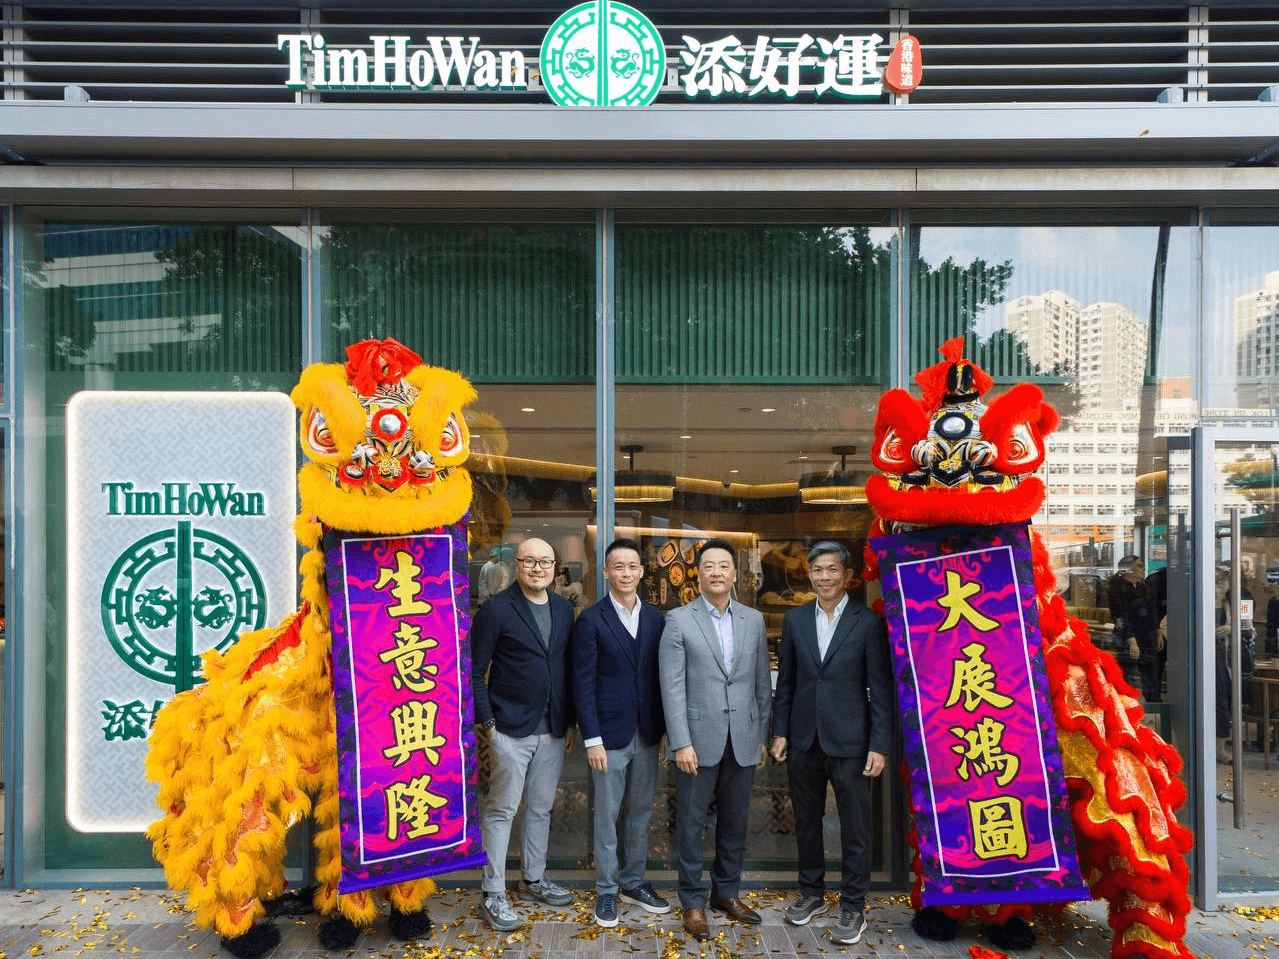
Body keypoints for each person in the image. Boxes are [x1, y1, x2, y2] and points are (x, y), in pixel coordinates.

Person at [770, 542, 892, 946]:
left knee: (855, 827)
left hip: (852, 741)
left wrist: (879, 744)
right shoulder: (796, 620)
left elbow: (881, 688)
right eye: (817, 570)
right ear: (809, 574)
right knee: (806, 820)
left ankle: (853, 906)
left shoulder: (867, 623)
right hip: (804, 738)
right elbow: (785, 683)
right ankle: (812, 893)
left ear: (847, 575)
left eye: (831, 570)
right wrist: (780, 731)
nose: (823, 577)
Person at [658, 538, 771, 943]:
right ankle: (692, 902)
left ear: (735, 574)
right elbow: (671, 688)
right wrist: (680, 742)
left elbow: (761, 685)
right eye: (709, 566)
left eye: (724, 566)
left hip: (742, 738)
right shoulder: (679, 620)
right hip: (697, 741)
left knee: (735, 823)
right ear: (699, 574)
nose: (717, 572)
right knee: (690, 825)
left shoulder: (753, 620)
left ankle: (726, 894)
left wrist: (759, 736)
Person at [471, 538, 576, 931]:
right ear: (516, 565)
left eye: (545, 561)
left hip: (551, 729)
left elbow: (565, 670)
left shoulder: (565, 610)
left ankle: (534, 879)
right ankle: (493, 893)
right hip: (509, 729)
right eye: (530, 561)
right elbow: (475, 671)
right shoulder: (496, 610)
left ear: (554, 567)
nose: (537, 568)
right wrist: (489, 725)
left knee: (540, 809)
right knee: (502, 809)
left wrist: (567, 723)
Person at [571, 538, 670, 928]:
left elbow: (662, 680)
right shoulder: (591, 620)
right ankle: (607, 890)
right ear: (607, 572)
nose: (626, 573)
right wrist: (590, 737)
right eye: (619, 567)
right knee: (608, 814)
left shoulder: (657, 619)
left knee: (641, 813)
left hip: (646, 732)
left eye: (632, 567)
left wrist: (664, 733)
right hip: (607, 735)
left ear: (641, 573)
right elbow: (582, 683)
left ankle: (634, 881)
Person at [1106, 556, 1146, 690]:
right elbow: (1120, 616)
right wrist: (1131, 640)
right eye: (1139, 566)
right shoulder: (1118, 589)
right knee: (1128, 673)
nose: (1142, 568)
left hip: (1141, 635)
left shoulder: (1140, 586)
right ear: (1129, 570)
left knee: (1138, 673)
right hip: (1127, 637)